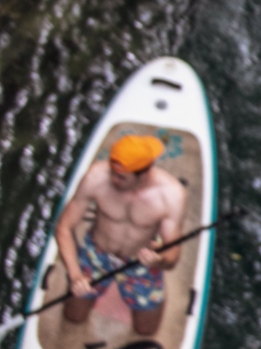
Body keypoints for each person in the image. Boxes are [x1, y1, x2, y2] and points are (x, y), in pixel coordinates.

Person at [56, 134, 185, 337]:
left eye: (122, 177)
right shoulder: (96, 177)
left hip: (139, 263)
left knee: (145, 330)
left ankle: (152, 297)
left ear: (143, 175)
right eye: (112, 172)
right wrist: (75, 275)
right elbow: (64, 227)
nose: (113, 180)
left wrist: (158, 260)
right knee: (73, 315)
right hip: (97, 254)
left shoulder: (171, 195)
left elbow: (173, 256)